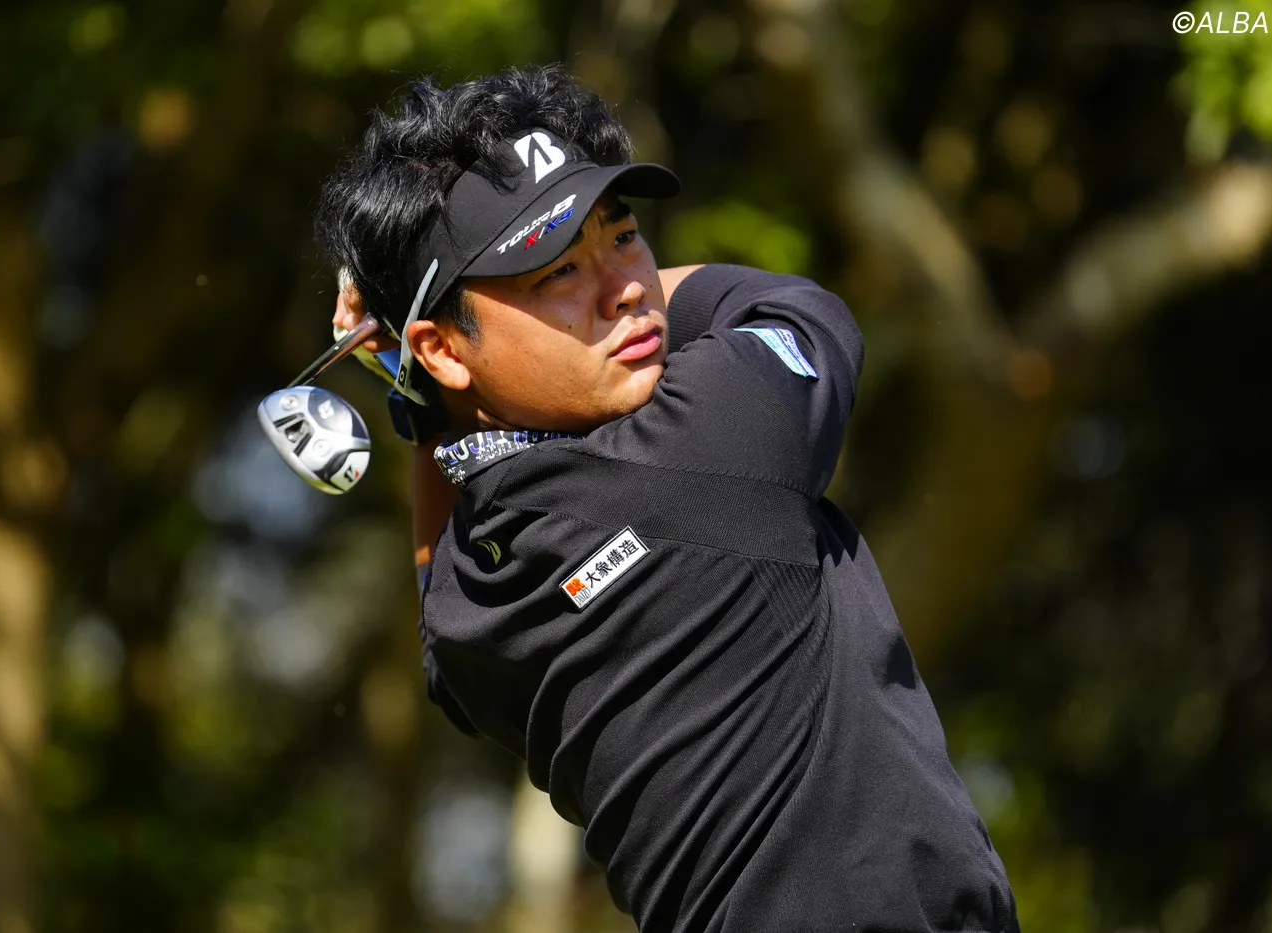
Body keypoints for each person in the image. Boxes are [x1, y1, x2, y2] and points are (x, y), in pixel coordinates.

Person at [315, 64, 1020, 932]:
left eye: (623, 235)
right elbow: (791, 304)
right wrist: (424, 360)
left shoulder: (473, 600)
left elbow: (435, 625)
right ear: (445, 348)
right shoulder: (716, 432)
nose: (625, 287)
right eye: (555, 271)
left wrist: (418, 384)